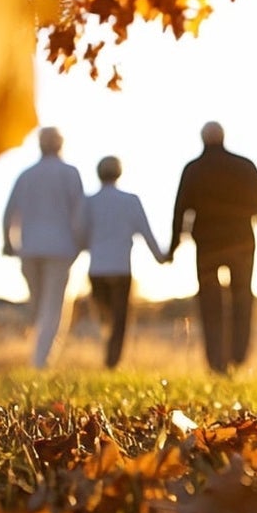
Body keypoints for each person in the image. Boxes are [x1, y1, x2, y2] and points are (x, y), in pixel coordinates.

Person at [168, 121, 257, 374]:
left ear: (203, 139)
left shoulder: (193, 169)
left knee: (210, 302)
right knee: (242, 297)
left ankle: (216, 361)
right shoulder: (244, 166)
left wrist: (173, 246)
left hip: (207, 245)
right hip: (242, 242)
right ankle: (238, 355)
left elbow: (180, 210)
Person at [1, 126, 87, 368]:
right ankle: (41, 361)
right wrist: (80, 242)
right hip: (60, 249)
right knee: (51, 306)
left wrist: (9, 243)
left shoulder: (26, 175)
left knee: (38, 304)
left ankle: (38, 356)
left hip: (29, 249)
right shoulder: (70, 174)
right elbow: (79, 213)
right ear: (60, 145)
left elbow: (9, 213)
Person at [82, 155, 166, 369]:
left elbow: (79, 234)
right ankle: (112, 361)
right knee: (119, 319)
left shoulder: (88, 202)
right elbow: (146, 232)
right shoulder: (130, 201)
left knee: (105, 317)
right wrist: (160, 256)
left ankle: (107, 356)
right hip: (120, 268)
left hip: (97, 268)